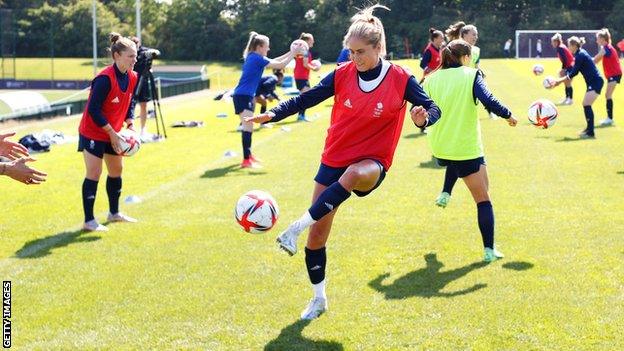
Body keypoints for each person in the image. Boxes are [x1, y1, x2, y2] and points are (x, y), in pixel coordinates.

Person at [246, 4, 441, 320]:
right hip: (334, 156)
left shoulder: (401, 78)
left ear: (378, 48)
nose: (355, 58)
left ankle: (294, 227)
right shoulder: (343, 74)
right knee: (317, 240)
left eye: (361, 52)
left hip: (372, 162)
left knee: (352, 174)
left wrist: (422, 118)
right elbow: (306, 98)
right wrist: (273, 113)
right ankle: (319, 299)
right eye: (350, 51)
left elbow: (432, 108)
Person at [423, 39, 517, 262]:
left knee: (463, 168)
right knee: (483, 199)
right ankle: (489, 250)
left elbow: (420, 104)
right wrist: (508, 115)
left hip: (440, 147)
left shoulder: (431, 79)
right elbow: (488, 99)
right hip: (464, 147)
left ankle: (446, 192)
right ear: (465, 58)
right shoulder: (471, 75)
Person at [78, 32, 139, 232]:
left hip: (114, 131)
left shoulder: (133, 76)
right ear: (117, 56)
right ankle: (89, 221)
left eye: (135, 55)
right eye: (131, 56)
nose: (134, 60)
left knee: (116, 170)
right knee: (94, 173)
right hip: (93, 131)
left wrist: (130, 122)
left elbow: (130, 101)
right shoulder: (104, 79)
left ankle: (114, 214)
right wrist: (112, 133)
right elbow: (93, 110)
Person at [232, 32, 294, 169]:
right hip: (243, 96)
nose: (268, 49)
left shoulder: (254, 57)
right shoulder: (256, 58)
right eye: (267, 46)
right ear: (259, 47)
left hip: (245, 95)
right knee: (247, 127)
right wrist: (293, 52)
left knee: (249, 127)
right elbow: (280, 64)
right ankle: (246, 160)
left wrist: (291, 51)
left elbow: (276, 60)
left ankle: (248, 156)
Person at [551, 36, 604, 139]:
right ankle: (589, 129)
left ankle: (591, 132)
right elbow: (574, 71)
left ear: (574, 46)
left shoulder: (580, 55)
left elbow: (574, 72)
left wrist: (559, 81)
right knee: (586, 104)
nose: (568, 48)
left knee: (586, 104)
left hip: (595, 81)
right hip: (593, 82)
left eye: (569, 46)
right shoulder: (580, 53)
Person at [130, 37, 157, 143]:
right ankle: (130, 128)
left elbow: (155, 53)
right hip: (132, 81)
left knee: (144, 105)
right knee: (129, 105)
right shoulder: (128, 53)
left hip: (144, 80)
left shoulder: (144, 51)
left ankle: (143, 129)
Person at [593, 28, 622, 126]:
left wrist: (583, 63)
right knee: (607, 95)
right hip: (614, 74)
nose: (596, 40)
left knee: (607, 95)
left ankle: (610, 119)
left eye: (598, 38)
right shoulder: (607, 47)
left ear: (602, 39)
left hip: (614, 74)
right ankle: (609, 118)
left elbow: (596, 60)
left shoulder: (605, 49)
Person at [294, 33, 321, 122]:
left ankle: (301, 115)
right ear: (307, 41)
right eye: (312, 39)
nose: (313, 41)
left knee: (305, 96)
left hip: (300, 76)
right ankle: (300, 116)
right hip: (301, 76)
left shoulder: (302, 51)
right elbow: (305, 64)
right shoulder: (305, 51)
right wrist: (314, 68)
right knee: (306, 97)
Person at [551, 33, 575, 105]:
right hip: (569, 66)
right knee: (566, 83)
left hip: (570, 67)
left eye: (553, 42)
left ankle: (570, 99)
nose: (552, 43)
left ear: (556, 42)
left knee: (568, 83)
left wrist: (563, 69)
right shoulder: (561, 47)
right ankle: (567, 98)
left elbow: (565, 60)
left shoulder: (560, 48)